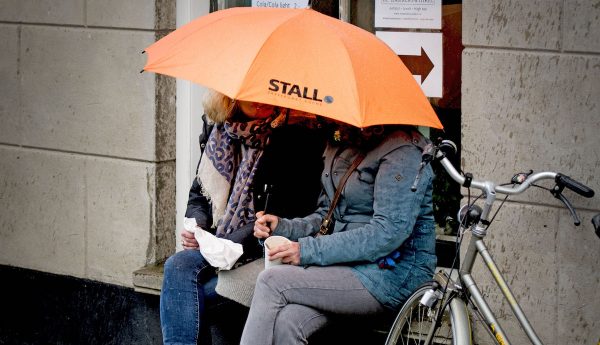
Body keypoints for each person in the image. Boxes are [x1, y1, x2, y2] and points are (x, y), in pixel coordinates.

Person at [241, 123, 437, 344]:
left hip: (390, 274)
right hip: (344, 266)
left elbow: (387, 233)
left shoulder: (403, 152)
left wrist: (306, 250)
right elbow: (328, 215)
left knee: (271, 281)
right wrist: (283, 227)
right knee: (288, 321)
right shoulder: (345, 141)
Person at [160, 89, 325, 345]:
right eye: (253, 92)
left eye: (269, 91)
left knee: (195, 296)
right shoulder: (218, 130)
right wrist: (199, 228)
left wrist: (224, 244)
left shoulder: (297, 135)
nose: (262, 99)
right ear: (232, 95)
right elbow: (200, 193)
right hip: (222, 242)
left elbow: (286, 214)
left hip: (263, 249)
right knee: (178, 265)